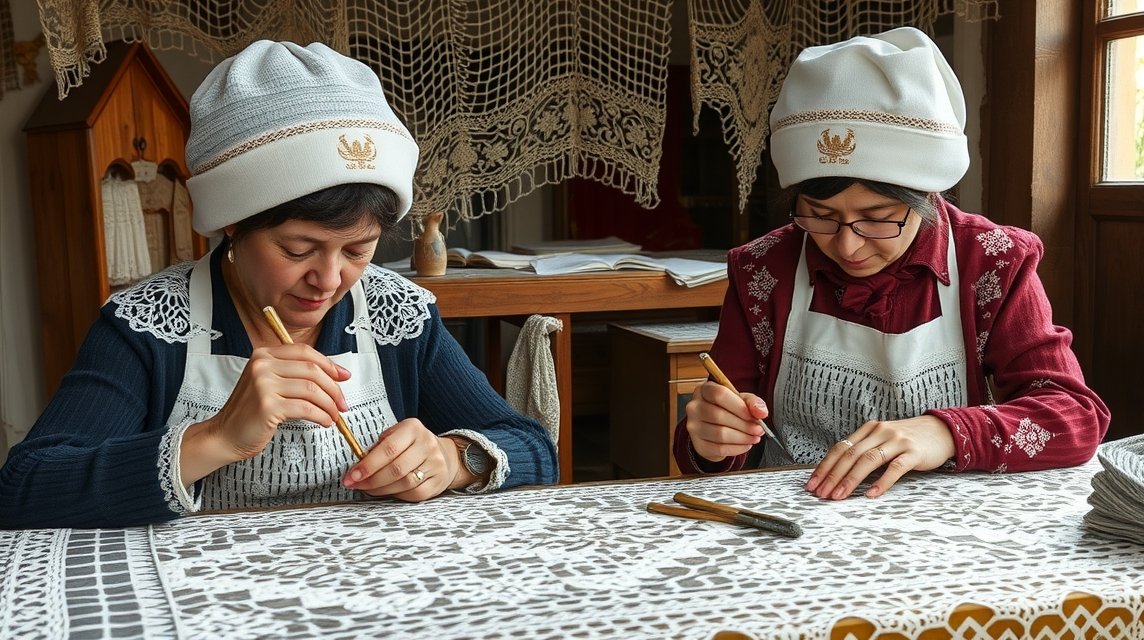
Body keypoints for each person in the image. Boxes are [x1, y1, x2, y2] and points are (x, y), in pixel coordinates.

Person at [0, 41, 558, 529]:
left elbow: (534, 448)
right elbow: (23, 488)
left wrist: (451, 456)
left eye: (359, 250)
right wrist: (215, 439)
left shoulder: (396, 316)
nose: (330, 279)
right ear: (232, 227)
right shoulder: (149, 328)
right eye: (298, 250)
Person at [673, 27, 1109, 499]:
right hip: (795, 517)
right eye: (819, 217)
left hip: (940, 528)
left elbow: (1074, 417)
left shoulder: (991, 261)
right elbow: (715, 439)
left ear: (926, 196)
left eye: (877, 220)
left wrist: (943, 433)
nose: (847, 247)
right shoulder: (765, 269)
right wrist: (712, 439)